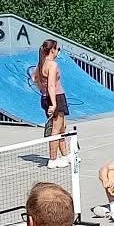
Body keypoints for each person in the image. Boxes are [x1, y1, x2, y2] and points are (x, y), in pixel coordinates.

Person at [32, 39, 70, 167]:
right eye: (58, 49)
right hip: (56, 97)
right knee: (56, 129)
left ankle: (65, 155)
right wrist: (53, 104)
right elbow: (52, 85)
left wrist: (42, 89)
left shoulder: (40, 64)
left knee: (62, 126)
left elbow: (34, 78)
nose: (58, 51)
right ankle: (53, 159)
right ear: (52, 49)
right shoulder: (52, 65)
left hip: (47, 96)